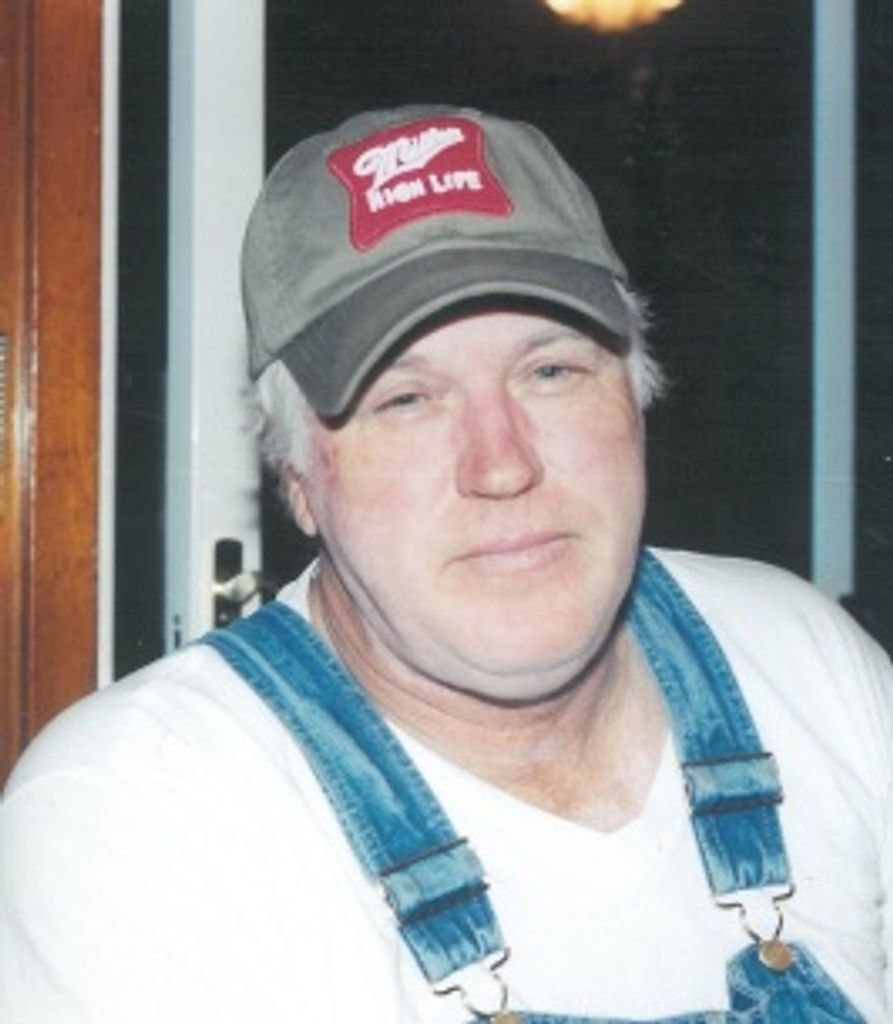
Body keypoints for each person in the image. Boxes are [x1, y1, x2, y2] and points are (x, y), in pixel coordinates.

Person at [1, 105, 890, 1024]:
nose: (501, 465)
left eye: (550, 372)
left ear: (636, 399)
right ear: (298, 478)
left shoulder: (798, 663)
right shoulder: (143, 813)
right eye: (407, 400)